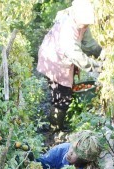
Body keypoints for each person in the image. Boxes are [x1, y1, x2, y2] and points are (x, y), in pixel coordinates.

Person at [37, 0, 103, 131]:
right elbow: (74, 54)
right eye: (84, 23)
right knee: (62, 95)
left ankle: (58, 122)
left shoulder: (81, 24)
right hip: (54, 61)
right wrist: (96, 66)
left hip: (61, 60)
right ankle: (55, 127)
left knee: (64, 92)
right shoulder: (67, 25)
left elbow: (89, 44)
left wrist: (101, 51)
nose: (85, 26)